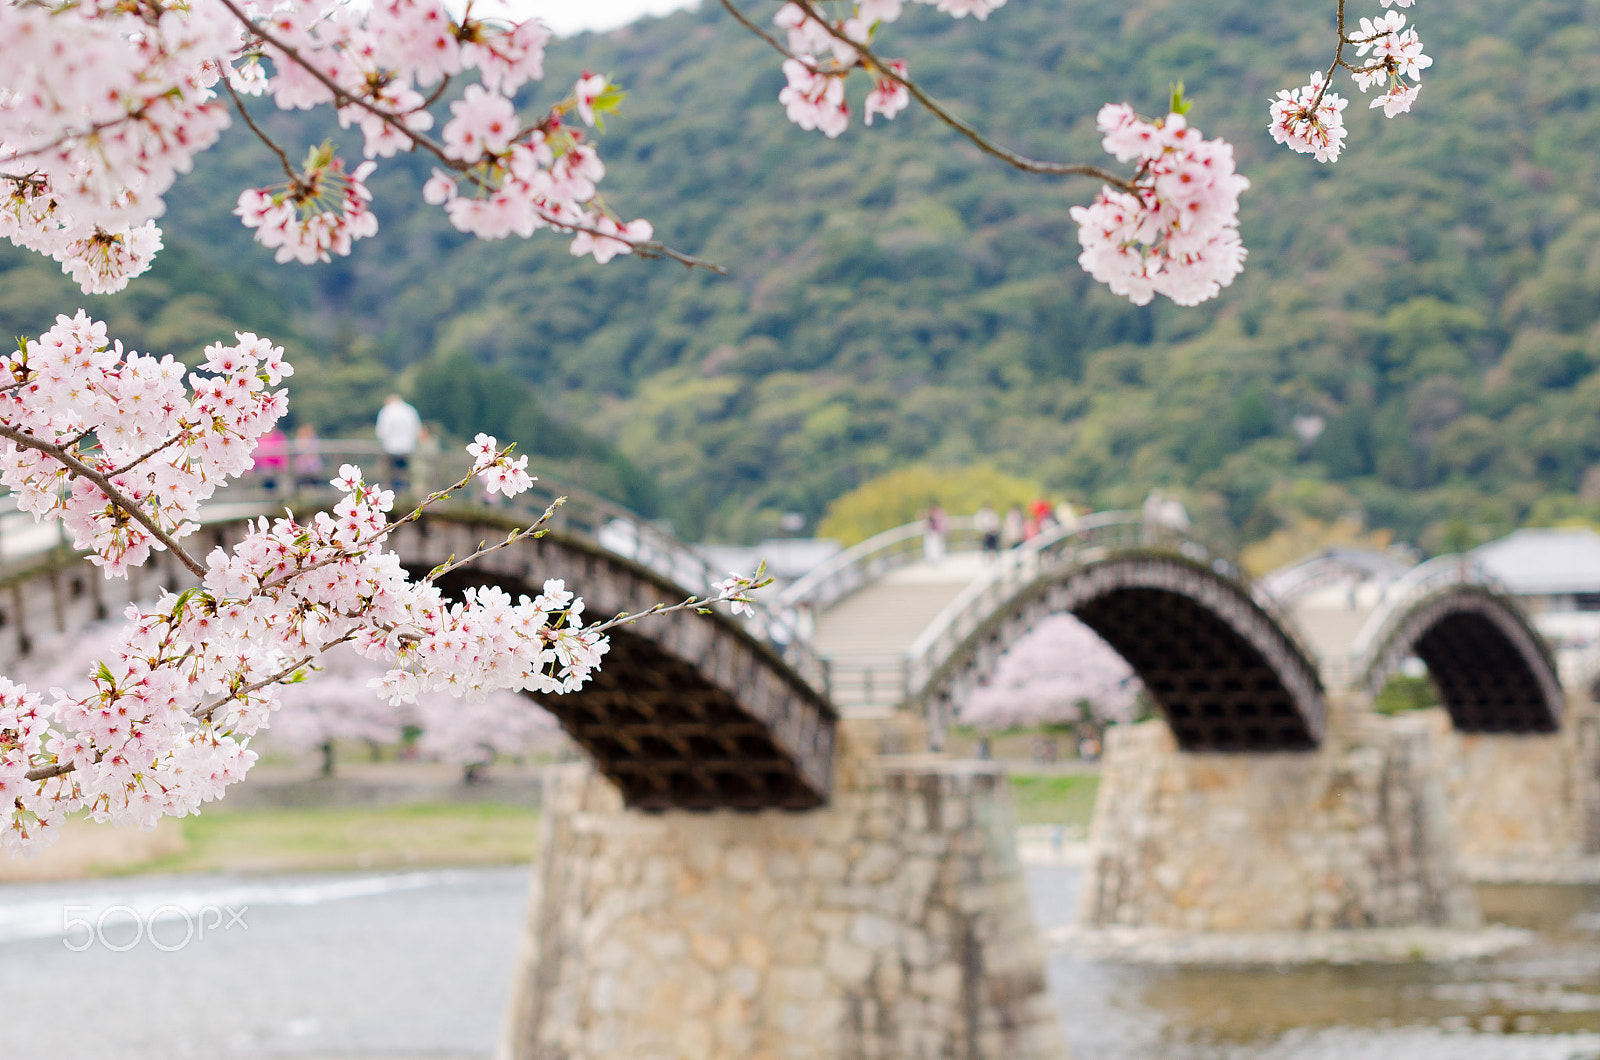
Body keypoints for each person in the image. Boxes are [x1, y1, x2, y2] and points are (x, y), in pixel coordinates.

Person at [375, 393, 422, 491]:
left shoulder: (386, 411)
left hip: (391, 448)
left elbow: (381, 432)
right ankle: (405, 492)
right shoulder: (410, 411)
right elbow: (417, 430)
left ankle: (393, 492)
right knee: (405, 473)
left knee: (391, 474)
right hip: (408, 448)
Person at [292, 423, 324, 491]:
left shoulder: (314, 439)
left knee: (315, 483)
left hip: (313, 467)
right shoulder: (298, 440)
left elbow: (314, 451)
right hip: (301, 468)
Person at [254, 427, 287, 494]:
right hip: (261, 469)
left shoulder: (278, 437)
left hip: (274, 468)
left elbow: (281, 454)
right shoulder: (257, 438)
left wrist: (282, 466)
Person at [922, 500, 947, 565]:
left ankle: (935, 559)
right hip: (935, 533)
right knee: (935, 547)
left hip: (933, 533)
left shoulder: (933, 516)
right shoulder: (936, 515)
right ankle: (935, 559)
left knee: (934, 547)